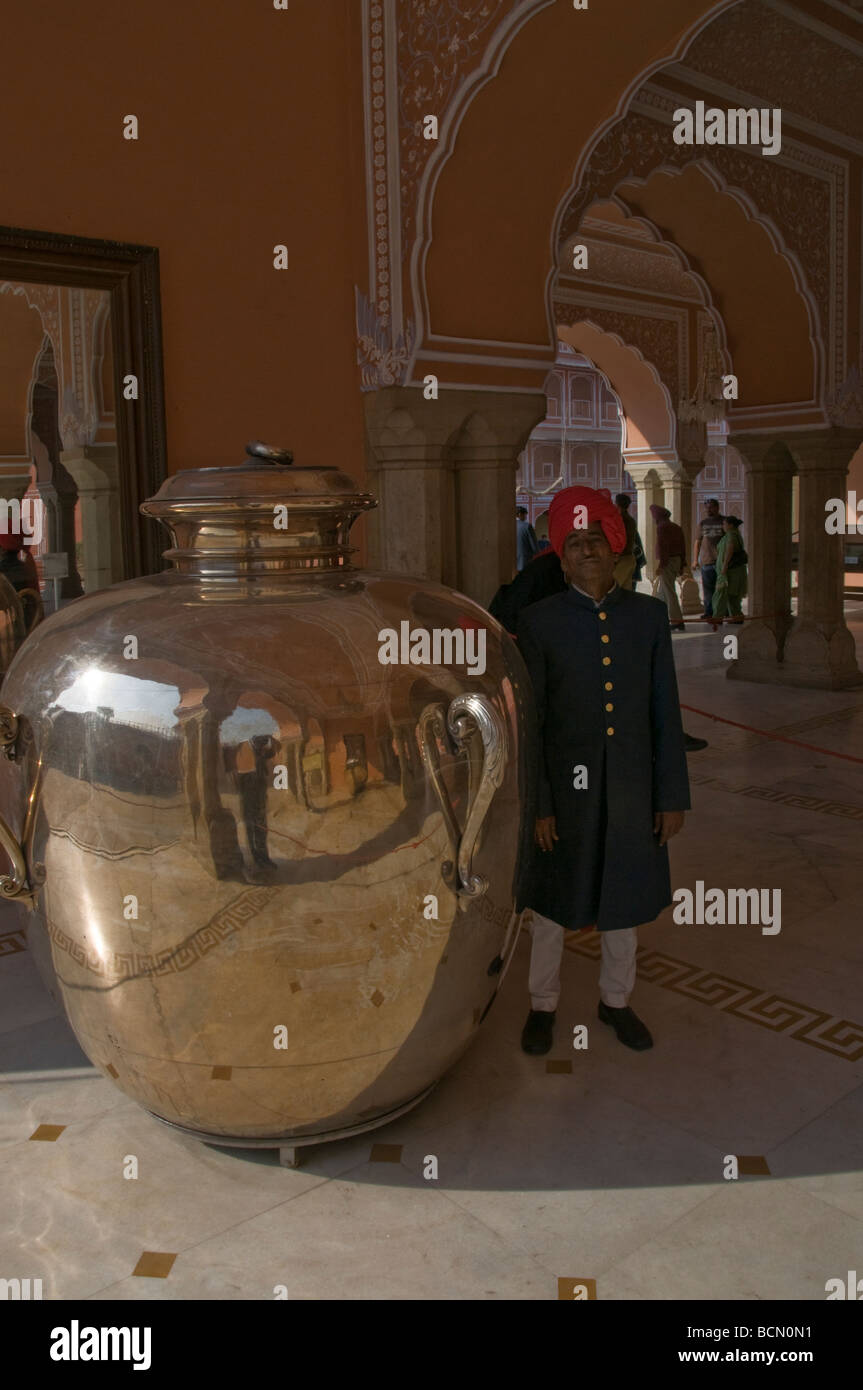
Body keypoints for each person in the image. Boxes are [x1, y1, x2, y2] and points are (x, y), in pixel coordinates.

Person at [517, 486, 690, 1055]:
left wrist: (671, 796)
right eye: (576, 542)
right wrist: (540, 802)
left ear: (616, 548)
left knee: (624, 899)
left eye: (597, 539)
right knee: (550, 904)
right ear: (560, 556)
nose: (588, 550)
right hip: (564, 795)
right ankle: (542, 1005)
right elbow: (533, 723)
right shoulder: (538, 622)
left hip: (632, 790)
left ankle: (615, 1001)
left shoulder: (648, 617)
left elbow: (666, 711)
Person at [649, 503, 686, 632]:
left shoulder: (662, 527)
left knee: (669, 592)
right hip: (676, 560)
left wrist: (661, 565)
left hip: (668, 562)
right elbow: (682, 547)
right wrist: (682, 564)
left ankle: (677, 621)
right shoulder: (676, 527)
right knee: (662, 593)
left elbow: (664, 547)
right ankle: (656, 618)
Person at [710, 515, 747, 627]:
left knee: (721, 593)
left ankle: (717, 617)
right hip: (735, 571)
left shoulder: (731, 535)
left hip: (729, 571)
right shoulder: (736, 534)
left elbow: (730, 549)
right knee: (732, 595)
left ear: (730, 525)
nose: (723, 526)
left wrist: (724, 566)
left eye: (724, 524)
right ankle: (736, 616)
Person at [692, 498, 725, 620]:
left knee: (721, 589)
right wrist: (695, 560)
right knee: (708, 590)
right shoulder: (703, 523)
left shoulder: (724, 521)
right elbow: (697, 542)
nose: (708, 509)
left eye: (711, 507)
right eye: (707, 507)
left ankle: (721, 611)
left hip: (721, 561)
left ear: (717, 507)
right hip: (706, 561)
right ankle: (709, 611)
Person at [612, 493, 637, 590]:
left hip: (621, 558)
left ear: (617, 504)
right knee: (626, 591)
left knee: (613, 589)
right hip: (629, 557)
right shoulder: (630, 520)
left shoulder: (620, 520)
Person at [516, 506, 539, 571]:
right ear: (520, 514)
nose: (526, 517)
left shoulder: (508, 525)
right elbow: (534, 546)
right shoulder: (526, 526)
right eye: (525, 515)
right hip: (524, 562)